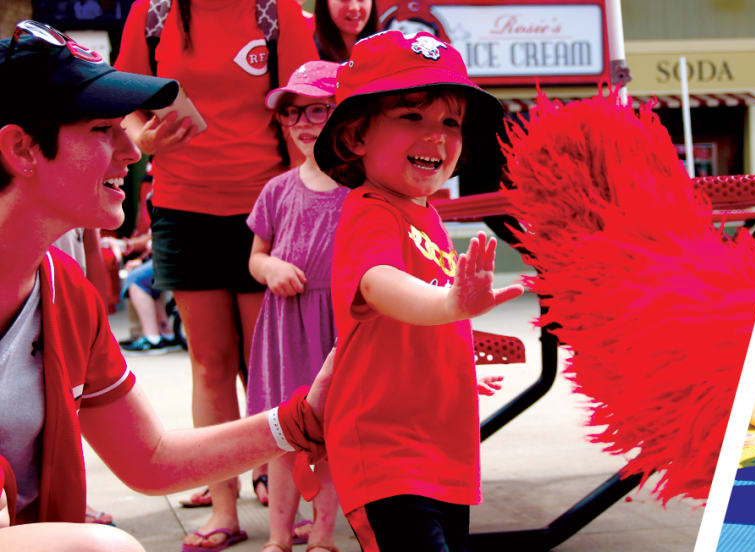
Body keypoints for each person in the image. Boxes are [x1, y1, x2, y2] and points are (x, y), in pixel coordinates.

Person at [0, 20, 327, 551]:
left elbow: (151, 460)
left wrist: (307, 416)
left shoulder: (66, 292)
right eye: (101, 130)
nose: (132, 152)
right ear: (21, 150)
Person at [113, 0, 317, 546]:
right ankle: (222, 507)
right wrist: (143, 140)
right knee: (209, 363)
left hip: (266, 209)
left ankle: (282, 496)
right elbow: (124, 99)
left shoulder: (277, 12)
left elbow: (310, 103)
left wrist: (303, 206)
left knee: (265, 365)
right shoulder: (152, 14)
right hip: (183, 206)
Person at [317, 30, 517, 551]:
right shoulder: (371, 209)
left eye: (450, 122)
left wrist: (449, 365)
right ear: (356, 136)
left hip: (442, 449)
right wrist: (450, 304)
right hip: (387, 453)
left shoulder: (425, 216)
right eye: (412, 117)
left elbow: (417, 317)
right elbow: (380, 284)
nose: (437, 136)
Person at [243, 59, 343, 552]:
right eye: (292, 113)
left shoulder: (362, 193)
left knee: (329, 440)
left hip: (335, 331)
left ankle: (322, 534)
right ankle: (278, 538)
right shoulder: (277, 190)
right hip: (284, 329)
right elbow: (256, 257)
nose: (303, 123)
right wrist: (272, 269)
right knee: (281, 438)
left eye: (317, 111)